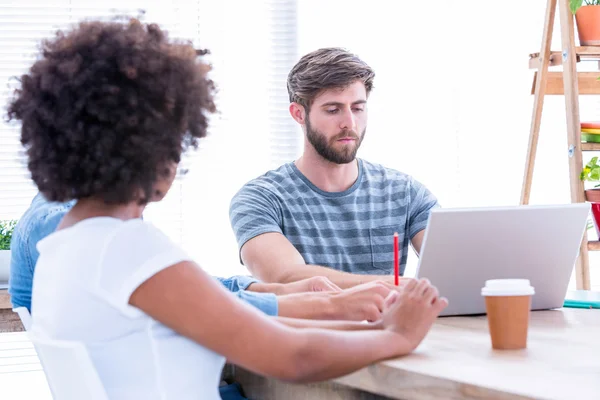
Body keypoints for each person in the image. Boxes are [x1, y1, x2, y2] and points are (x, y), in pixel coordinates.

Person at [7, 18, 447, 399]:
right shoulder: (126, 247)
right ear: (142, 147)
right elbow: (291, 357)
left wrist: (347, 316)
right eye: (176, 137)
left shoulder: (65, 245)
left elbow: (216, 305)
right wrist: (397, 335)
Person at [229, 47, 439, 289]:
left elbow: (450, 266)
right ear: (299, 114)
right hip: (306, 328)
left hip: (390, 327)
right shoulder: (261, 198)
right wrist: (404, 287)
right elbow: (285, 276)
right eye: (333, 110)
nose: (349, 123)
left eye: (358, 108)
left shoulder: (405, 192)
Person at [9, 193, 393, 322]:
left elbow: (181, 287)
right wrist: (326, 306)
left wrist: (264, 288)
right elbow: (194, 304)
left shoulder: (70, 212)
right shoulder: (73, 229)